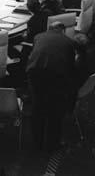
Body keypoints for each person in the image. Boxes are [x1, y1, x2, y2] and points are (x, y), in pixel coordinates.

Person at [27, 21, 77, 150]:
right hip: (56, 75)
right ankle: (52, 144)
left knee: (37, 106)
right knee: (55, 110)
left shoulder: (38, 36)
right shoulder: (69, 42)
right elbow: (71, 66)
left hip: (35, 73)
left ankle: (36, 143)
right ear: (63, 31)